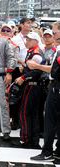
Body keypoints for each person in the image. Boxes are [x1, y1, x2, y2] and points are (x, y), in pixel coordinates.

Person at [30, 22, 60, 164]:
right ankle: (57, 152)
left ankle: (48, 151)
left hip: (56, 87)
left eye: (54, 32)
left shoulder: (58, 50)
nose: (53, 35)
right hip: (54, 85)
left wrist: (36, 66)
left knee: (50, 121)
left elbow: (54, 70)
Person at [15, 32, 44, 149]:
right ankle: (32, 140)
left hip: (32, 86)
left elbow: (38, 71)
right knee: (31, 114)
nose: (26, 41)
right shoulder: (32, 52)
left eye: (29, 40)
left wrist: (23, 77)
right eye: (26, 39)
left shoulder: (36, 54)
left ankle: (27, 139)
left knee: (25, 113)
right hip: (33, 86)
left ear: (35, 42)